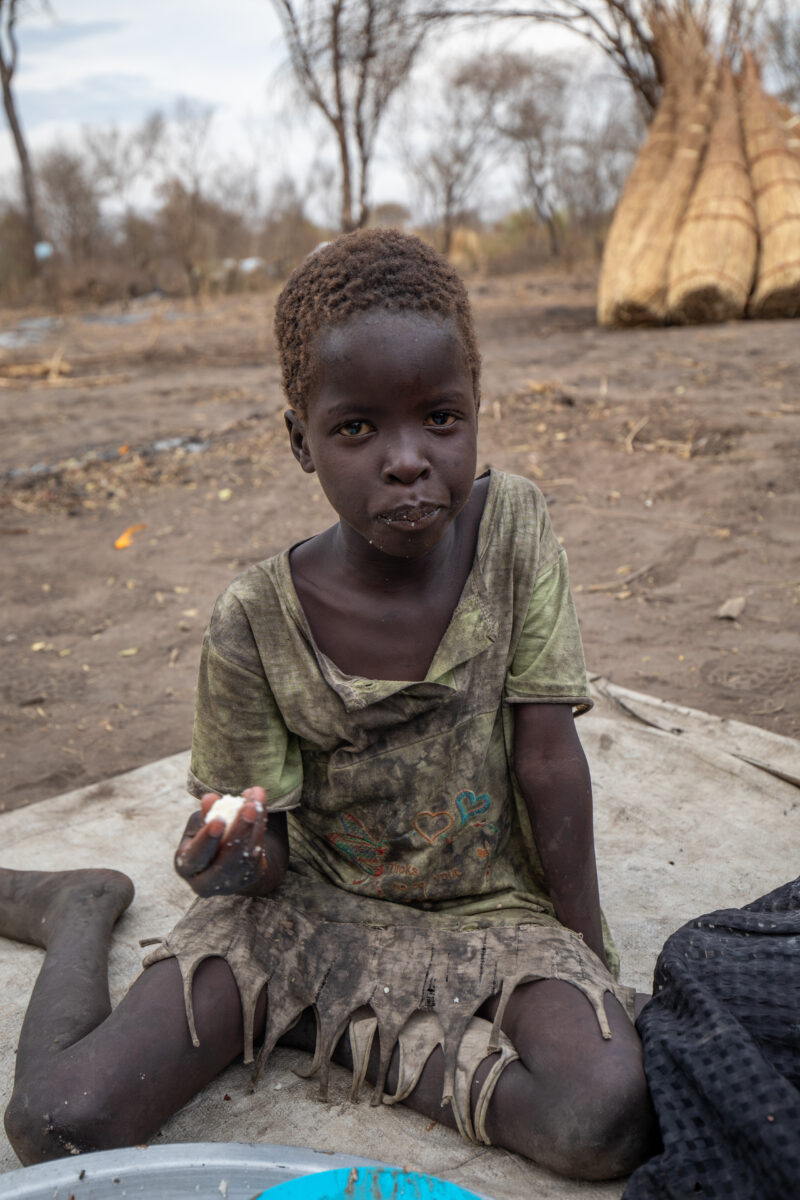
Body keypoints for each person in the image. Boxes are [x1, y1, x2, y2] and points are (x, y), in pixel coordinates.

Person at [1, 230, 657, 1177]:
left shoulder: (514, 531)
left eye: (441, 419)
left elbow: (548, 760)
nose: (406, 460)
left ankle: (326, 1029)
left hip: (487, 913)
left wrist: (591, 960)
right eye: (357, 429)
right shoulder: (255, 621)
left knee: (604, 1118)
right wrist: (225, 863)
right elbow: (261, 857)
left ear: (477, 411)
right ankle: (76, 908)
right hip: (298, 916)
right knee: (61, 1123)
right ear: (300, 441)